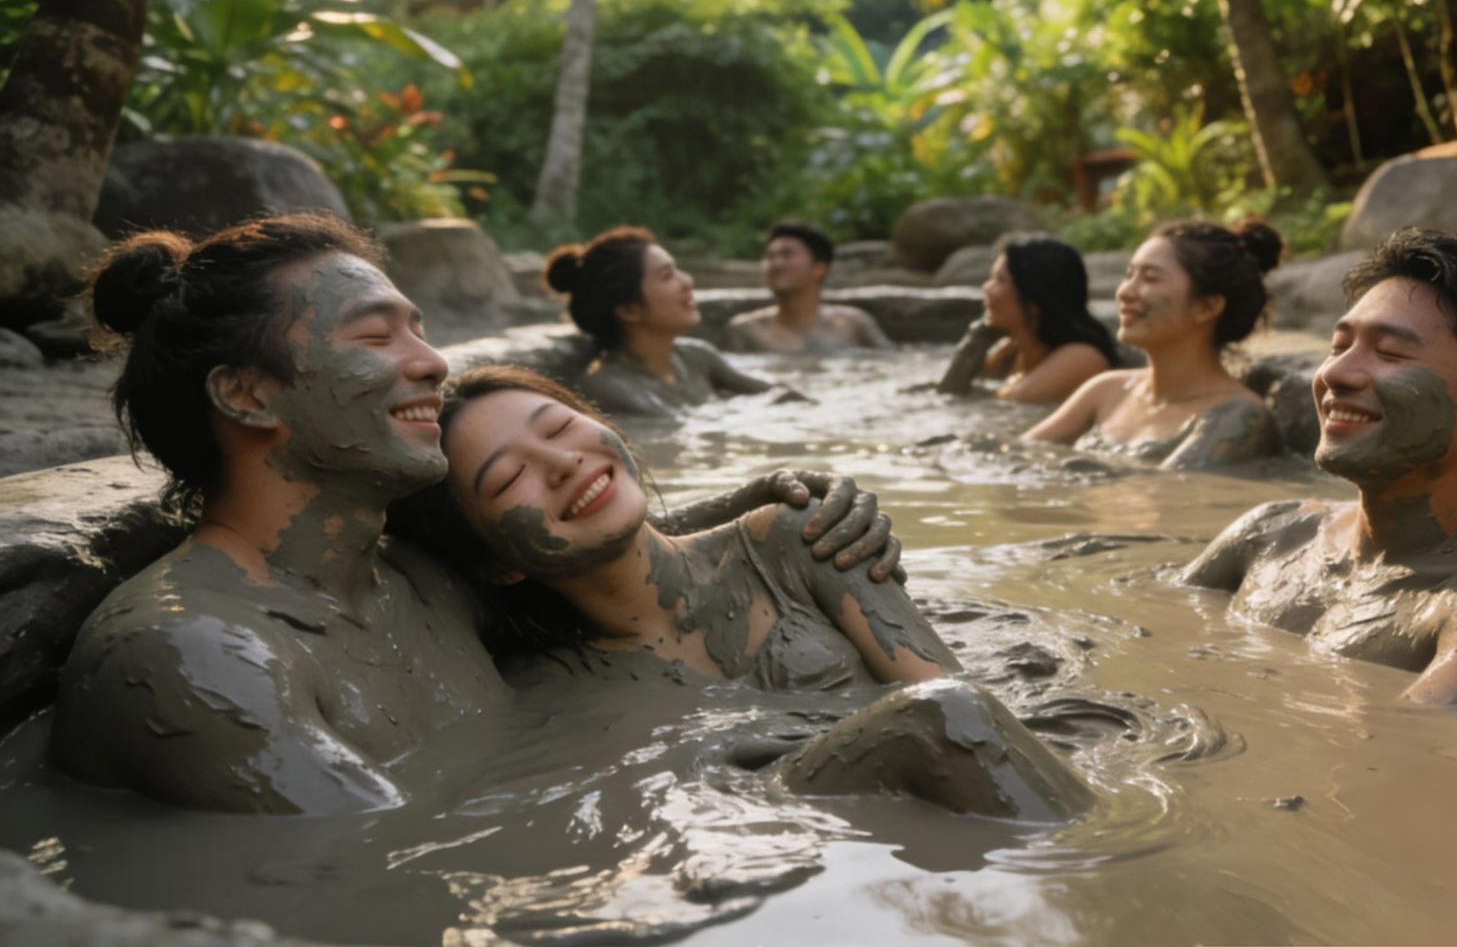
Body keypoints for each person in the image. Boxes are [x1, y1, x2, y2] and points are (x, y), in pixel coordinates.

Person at [51, 214, 903, 815]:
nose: (432, 364)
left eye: (418, 330)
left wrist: (784, 500)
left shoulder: (414, 579)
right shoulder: (194, 656)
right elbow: (381, 865)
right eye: (376, 338)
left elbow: (587, 539)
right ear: (246, 393)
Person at [386, 364, 1095, 821]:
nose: (565, 464)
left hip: (955, 795)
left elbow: (965, 708)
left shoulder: (792, 539)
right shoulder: (556, 686)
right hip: (809, 838)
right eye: (511, 480)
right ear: (499, 565)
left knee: (947, 712)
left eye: (562, 427)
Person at [1181, 229, 1457, 706]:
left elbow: (1406, 759)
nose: (1334, 375)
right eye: (1339, 345)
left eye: (1389, 353)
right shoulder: (1269, 534)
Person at [1021, 220, 1281, 464]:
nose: (1125, 292)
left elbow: (1167, 497)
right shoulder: (1106, 390)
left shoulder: (1237, 415)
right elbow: (1019, 455)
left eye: (1150, 278)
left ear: (1206, 307)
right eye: (1129, 275)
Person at [548, 226, 788, 417]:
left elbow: (780, 394)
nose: (687, 281)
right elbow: (679, 429)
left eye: (677, 270)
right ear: (629, 309)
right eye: (667, 275)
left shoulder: (697, 357)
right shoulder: (607, 387)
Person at [937, 235, 1118, 403]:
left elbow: (1002, 405)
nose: (986, 287)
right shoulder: (1009, 352)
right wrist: (975, 340)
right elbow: (952, 390)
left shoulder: (1081, 357)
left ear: (1034, 297)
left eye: (1000, 280)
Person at [726, 222, 893, 353]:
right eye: (770, 256)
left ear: (819, 268)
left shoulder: (852, 324)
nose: (776, 264)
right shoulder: (748, 330)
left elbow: (891, 365)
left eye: (787, 254)